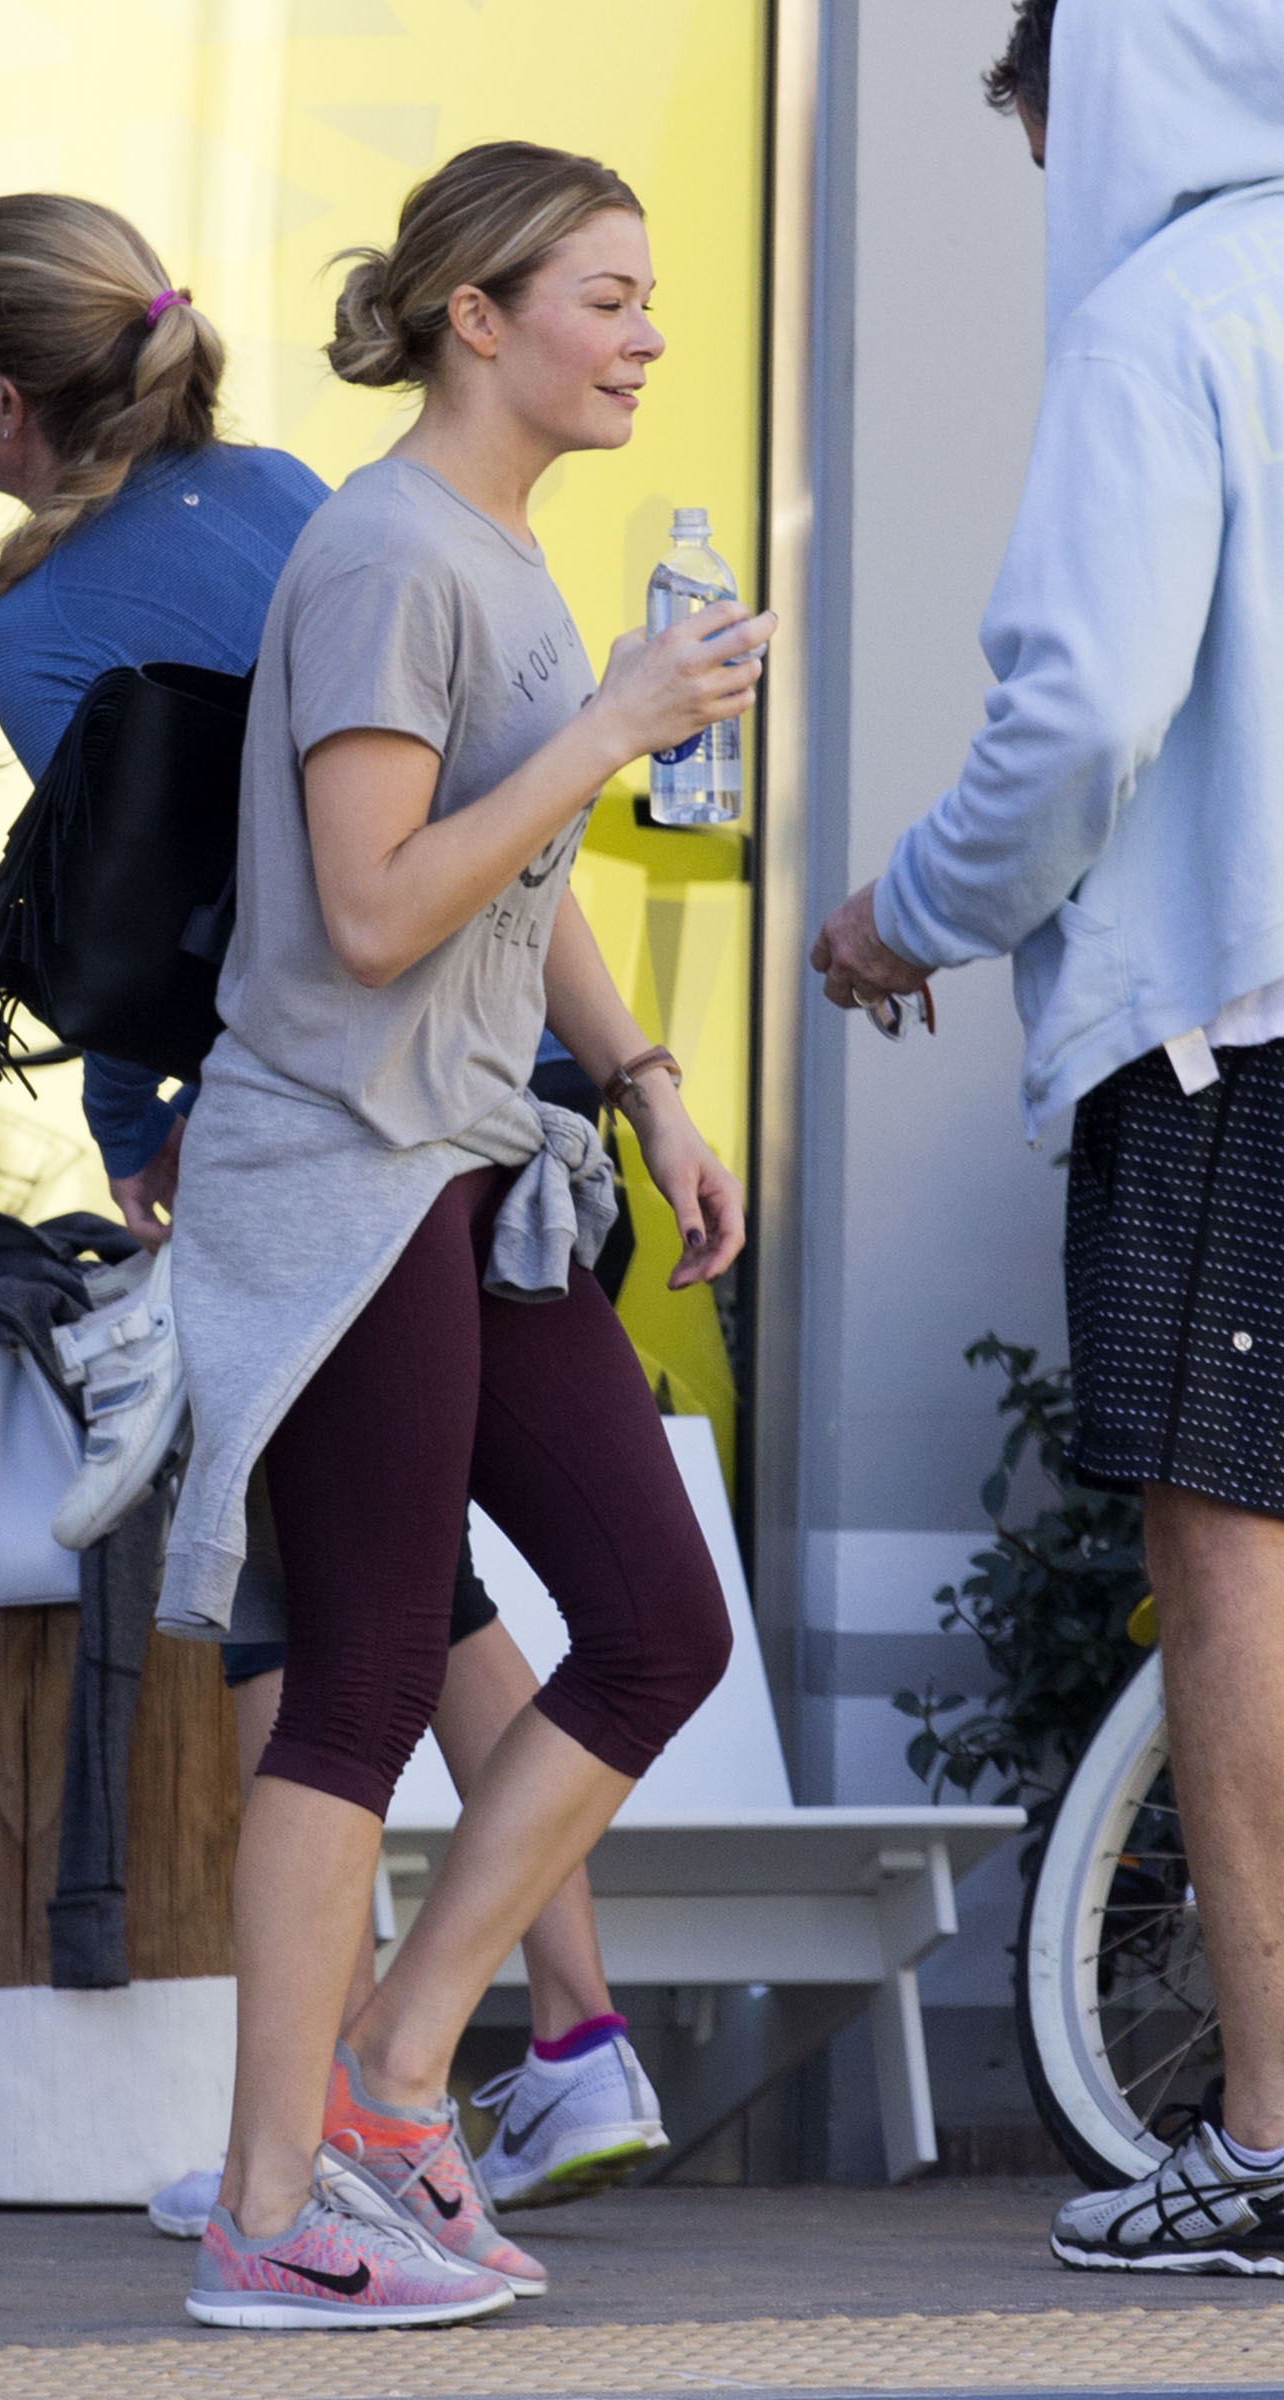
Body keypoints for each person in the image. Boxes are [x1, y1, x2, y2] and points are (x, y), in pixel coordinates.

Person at [0, 189, 666, 2241]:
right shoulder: (307, 501)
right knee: (416, 1611)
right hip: (478, 1096)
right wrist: (643, 1069)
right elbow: (450, 837)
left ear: (1, 399)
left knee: (334, 1631)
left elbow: (171, 907)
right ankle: (490, 2064)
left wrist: (139, 1128)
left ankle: (333, 2125)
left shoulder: (68, 617)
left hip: (337, 1123)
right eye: (610, 299)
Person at [167, 137, 767, 2332]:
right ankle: (267, 2209)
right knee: (355, 1676)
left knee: (655, 1623)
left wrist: (644, 1078)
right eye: (606, 297)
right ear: (476, 317)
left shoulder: (501, 551)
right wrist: (611, 724)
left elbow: (509, 883)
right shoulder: (384, 555)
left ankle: (399, 2077)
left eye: (649, 296)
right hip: (346, 1174)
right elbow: (374, 905)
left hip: (480, 1165)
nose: (648, 336)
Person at [812, 0, 1284, 2275]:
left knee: (1234, 1562)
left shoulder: (1164, 316)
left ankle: (1268, 2132)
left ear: (1087, 94)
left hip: (1230, 1032)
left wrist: (898, 914)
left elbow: (1082, 715)